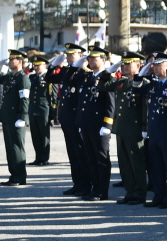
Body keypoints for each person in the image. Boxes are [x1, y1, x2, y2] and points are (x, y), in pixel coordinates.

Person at [99, 51, 150, 205]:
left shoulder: (144, 83)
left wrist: (144, 127)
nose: (125, 66)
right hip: (121, 128)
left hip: (135, 129)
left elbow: (145, 109)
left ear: (139, 65)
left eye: (129, 64)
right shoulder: (122, 82)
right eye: (123, 64)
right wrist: (109, 71)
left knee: (137, 162)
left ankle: (140, 193)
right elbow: (102, 85)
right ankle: (130, 191)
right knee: (124, 162)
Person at [74, 46, 117, 201]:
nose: (91, 61)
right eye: (90, 58)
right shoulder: (88, 77)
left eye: (95, 58)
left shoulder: (108, 78)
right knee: (90, 158)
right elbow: (82, 102)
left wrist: (107, 125)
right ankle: (94, 188)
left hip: (99, 126)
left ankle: (101, 191)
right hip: (86, 124)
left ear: (103, 60)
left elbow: (110, 105)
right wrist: (80, 121)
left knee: (101, 159)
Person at [46, 43, 88, 194]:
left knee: (81, 153)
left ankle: (85, 185)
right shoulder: (66, 71)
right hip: (66, 118)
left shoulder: (83, 72)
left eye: (72, 54)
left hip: (77, 118)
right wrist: (53, 65)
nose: (69, 57)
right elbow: (49, 78)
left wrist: (75, 67)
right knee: (72, 153)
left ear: (81, 56)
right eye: (68, 55)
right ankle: (77, 183)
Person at [0, 51, 32, 186]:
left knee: (17, 147)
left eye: (12, 59)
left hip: (17, 118)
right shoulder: (9, 76)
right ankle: (14, 175)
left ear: (19, 61)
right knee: (10, 147)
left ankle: (20, 176)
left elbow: (24, 99)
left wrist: (22, 117)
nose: (9, 61)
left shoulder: (22, 78)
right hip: (8, 117)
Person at [144, 53, 167, 209]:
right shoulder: (153, 84)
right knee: (156, 167)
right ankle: (158, 196)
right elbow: (136, 86)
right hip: (154, 131)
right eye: (154, 64)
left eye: (159, 64)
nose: (155, 67)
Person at [26, 55, 53, 165]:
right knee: (35, 135)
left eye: (38, 65)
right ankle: (38, 157)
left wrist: (53, 113)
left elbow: (53, 96)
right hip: (33, 109)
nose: (36, 67)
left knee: (44, 135)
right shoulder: (32, 78)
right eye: (35, 66)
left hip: (44, 109)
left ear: (45, 65)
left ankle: (44, 158)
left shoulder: (49, 77)